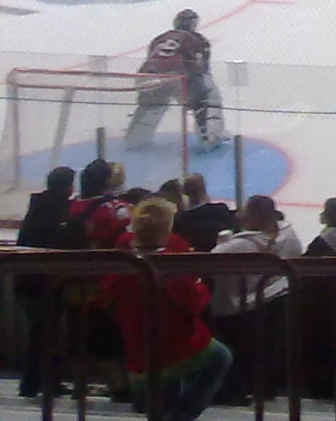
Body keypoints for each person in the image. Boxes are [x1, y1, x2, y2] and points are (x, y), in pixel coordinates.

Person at [103, 198, 231, 421]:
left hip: (138, 346)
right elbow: (195, 302)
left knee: (161, 399)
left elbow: (107, 296)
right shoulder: (168, 266)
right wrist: (200, 285)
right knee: (220, 357)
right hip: (175, 346)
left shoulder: (124, 257)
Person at [211, 194, 301, 402]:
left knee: (238, 350)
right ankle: (265, 388)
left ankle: (234, 390)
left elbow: (210, 264)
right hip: (277, 300)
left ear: (251, 216)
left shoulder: (237, 246)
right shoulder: (290, 236)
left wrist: (222, 240)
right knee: (267, 348)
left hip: (238, 306)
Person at [14, 166, 74, 400]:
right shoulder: (56, 213)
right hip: (43, 284)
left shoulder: (38, 208)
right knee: (43, 333)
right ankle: (36, 383)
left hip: (29, 282)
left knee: (41, 333)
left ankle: (43, 381)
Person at [126, 8, 218, 149]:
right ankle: (208, 136)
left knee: (151, 106)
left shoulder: (159, 38)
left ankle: (135, 139)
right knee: (207, 96)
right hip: (176, 77)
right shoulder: (197, 39)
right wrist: (195, 95)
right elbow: (200, 68)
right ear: (193, 24)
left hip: (147, 76)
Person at [174, 172, 233, 252]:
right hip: (221, 256)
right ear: (204, 188)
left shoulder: (181, 219)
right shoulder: (221, 210)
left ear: (184, 192)